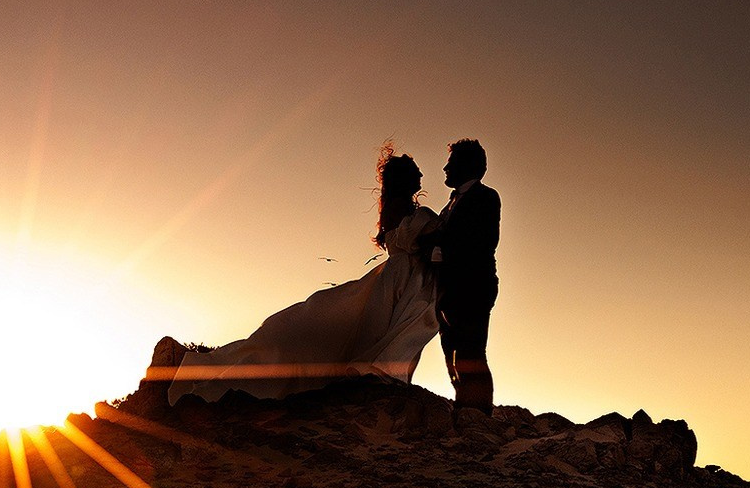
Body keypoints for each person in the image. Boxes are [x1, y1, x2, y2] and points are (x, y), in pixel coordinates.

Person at [165, 145, 440, 405]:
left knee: (371, 331)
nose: (422, 174)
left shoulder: (404, 209)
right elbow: (417, 240)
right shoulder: (405, 210)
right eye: (416, 170)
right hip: (402, 277)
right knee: (361, 331)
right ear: (404, 178)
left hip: (403, 277)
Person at [422, 138, 500, 411]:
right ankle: (464, 403)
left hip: (472, 287)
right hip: (449, 289)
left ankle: (478, 413)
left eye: (451, 163)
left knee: (472, 351)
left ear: (467, 166)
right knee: (451, 353)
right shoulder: (452, 202)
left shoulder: (486, 197)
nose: (445, 168)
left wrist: (439, 247)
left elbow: (483, 241)